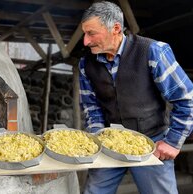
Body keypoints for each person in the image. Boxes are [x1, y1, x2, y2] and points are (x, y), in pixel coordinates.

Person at [78, 1, 193, 194]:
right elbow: (92, 107)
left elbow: (187, 98)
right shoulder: (86, 63)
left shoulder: (153, 51)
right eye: (84, 33)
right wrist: (98, 137)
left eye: (91, 33)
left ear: (115, 28)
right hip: (109, 144)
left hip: (152, 141)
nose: (85, 41)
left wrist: (173, 141)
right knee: (94, 191)